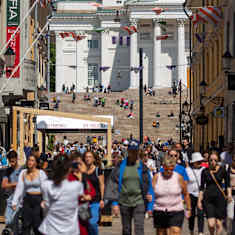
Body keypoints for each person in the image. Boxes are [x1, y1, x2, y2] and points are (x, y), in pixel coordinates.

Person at [105, 141, 154, 235]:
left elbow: (149, 185)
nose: (133, 153)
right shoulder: (121, 166)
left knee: (139, 229)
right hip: (124, 202)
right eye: (131, 151)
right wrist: (115, 203)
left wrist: (150, 205)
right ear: (128, 151)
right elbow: (113, 183)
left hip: (139, 202)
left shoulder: (142, 167)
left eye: (135, 151)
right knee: (126, 230)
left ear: (138, 152)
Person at [39, 155, 84, 235]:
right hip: (70, 230)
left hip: (50, 229)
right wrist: (80, 175)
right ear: (69, 169)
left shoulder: (46, 185)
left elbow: (46, 205)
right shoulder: (76, 186)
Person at [152, 154, 191, 235]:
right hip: (160, 210)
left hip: (176, 209)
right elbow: (151, 193)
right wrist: (149, 206)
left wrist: (188, 208)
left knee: (175, 231)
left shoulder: (178, 177)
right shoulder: (156, 177)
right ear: (163, 167)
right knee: (161, 233)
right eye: (167, 169)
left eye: (171, 169)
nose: (169, 171)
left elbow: (186, 194)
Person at [198, 151, 232, 235]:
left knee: (218, 224)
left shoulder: (222, 170)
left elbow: (228, 184)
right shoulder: (205, 171)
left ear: (218, 161)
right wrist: (199, 200)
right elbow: (202, 188)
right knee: (211, 224)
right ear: (208, 160)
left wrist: (229, 194)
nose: (213, 162)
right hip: (208, 199)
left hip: (220, 199)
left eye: (215, 160)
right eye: (211, 160)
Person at [12, 154, 48, 235]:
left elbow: (46, 188)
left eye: (32, 160)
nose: (30, 162)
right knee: (25, 224)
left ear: (36, 163)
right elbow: (19, 188)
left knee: (37, 224)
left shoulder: (41, 173)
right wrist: (14, 202)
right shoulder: (23, 173)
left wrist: (45, 201)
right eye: (29, 160)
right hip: (27, 199)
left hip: (38, 200)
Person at [68, 153, 96, 235]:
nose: (77, 166)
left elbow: (91, 191)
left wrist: (89, 196)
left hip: (82, 211)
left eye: (79, 163)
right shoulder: (69, 177)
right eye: (75, 164)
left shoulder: (84, 177)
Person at [1, 151, 23, 233]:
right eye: (10, 162)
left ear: (17, 159)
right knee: (8, 221)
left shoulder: (22, 170)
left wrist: (10, 184)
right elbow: (3, 185)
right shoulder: (7, 171)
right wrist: (16, 184)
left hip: (20, 200)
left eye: (13, 161)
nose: (12, 164)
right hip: (10, 198)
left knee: (15, 222)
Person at [84, 151, 105, 235]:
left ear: (93, 159)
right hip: (84, 201)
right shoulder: (82, 170)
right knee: (84, 225)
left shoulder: (98, 170)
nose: (88, 159)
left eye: (90, 157)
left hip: (95, 201)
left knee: (92, 223)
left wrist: (102, 199)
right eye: (86, 157)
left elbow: (102, 185)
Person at [186, 153, 205, 235]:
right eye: (198, 161)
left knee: (200, 214)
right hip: (191, 194)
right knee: (192, 214)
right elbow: (185, 183)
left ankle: (200, 232)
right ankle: (191, 230)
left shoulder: (204, 169)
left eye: (200, 161)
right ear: (193, 162)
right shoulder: (187, 170)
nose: (199, 162)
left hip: (201, 194)